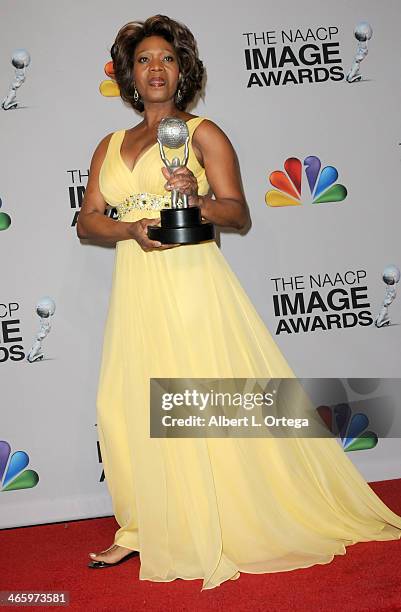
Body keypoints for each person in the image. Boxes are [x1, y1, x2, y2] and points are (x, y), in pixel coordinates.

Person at [77, 15, 401, 591]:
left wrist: (195, 199)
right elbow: (88, 222)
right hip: (137, 288)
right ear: (128, 73)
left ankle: (216, 524)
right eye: (145, 59)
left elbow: (238, 213)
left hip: (193, 284)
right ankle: (143, 528)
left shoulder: (201, 132)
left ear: (182, 72)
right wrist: (129, 231)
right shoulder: (108, 145)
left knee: (196, 401)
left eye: (167, 59)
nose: (156, 68)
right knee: (125, 406)